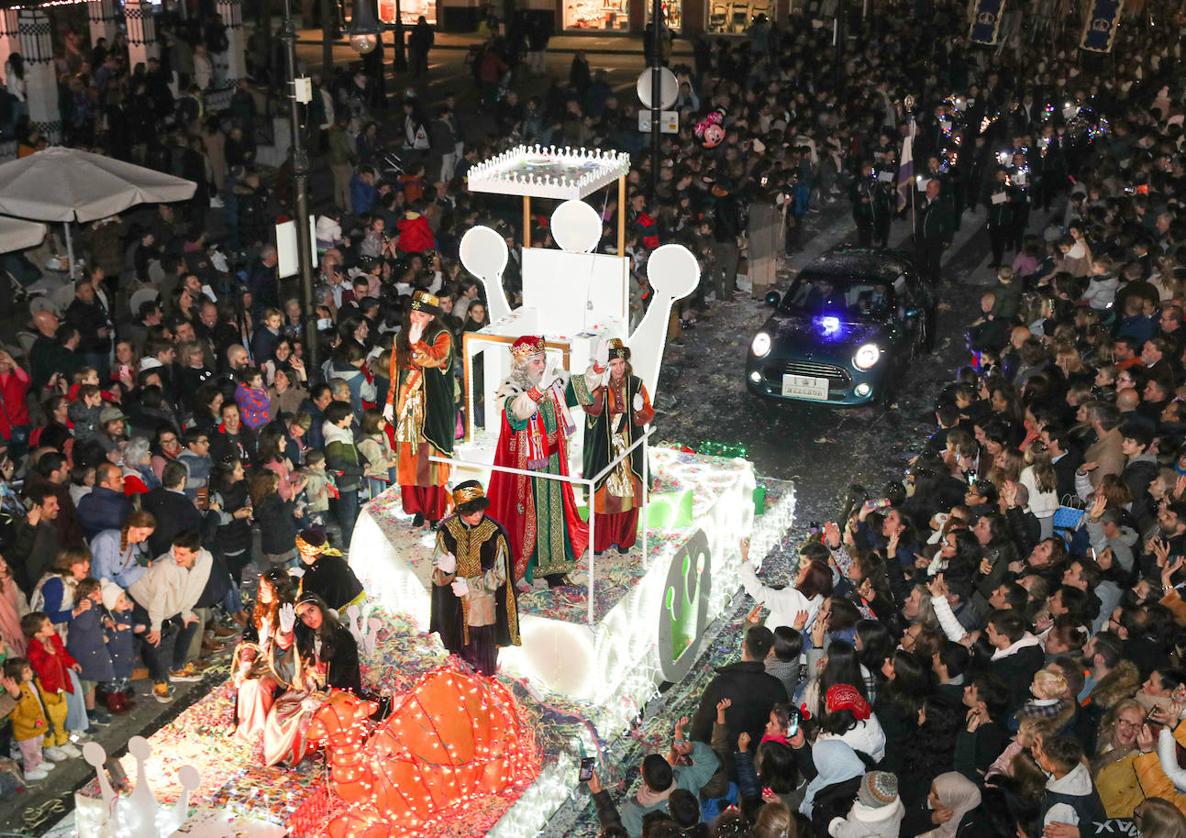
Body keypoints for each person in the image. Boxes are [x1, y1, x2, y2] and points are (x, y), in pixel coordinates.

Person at [487, 335, 608, 588]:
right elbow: (518, 411)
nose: (541, 365)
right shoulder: (511, 387)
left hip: (553, 462)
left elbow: (580, 387)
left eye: (542, 360)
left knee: (556, 514)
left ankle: (555, 570)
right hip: (525, 470)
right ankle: (525, 568)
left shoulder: (553, 381)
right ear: (521, 364)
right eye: (535, 361)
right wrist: (539, 388)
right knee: (528, 519)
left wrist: (597, 366)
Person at [429, 481, 519, 676]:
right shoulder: (447, 531)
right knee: (457, 665)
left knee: (483, 668)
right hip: (454, 612)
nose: (477, 515)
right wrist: (446, 571)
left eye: (480, 510)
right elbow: (437, 576)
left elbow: (500, 575)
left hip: (483, 612)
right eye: (471, 512)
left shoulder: (494, 533)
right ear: (460, 510)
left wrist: (470, 586)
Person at [384, 291, 456, 528]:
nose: (416, 318)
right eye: (414, 313)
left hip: (431, 408)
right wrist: (388, 402)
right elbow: (396, 373)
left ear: (432, 318)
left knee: (431, 461)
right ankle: (417, 508)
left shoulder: (442, 336)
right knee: (410, 460)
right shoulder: (400, 338)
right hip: (407, 405)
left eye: (422, 315)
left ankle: (434, 511)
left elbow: (435, 359)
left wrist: (417, 343)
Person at [580, 339, 654, 554]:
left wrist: (641, 410)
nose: (618, 368)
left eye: (621, 363)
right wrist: (600, 393)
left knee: (628, 497)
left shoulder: (637, 384)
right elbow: (590, 410)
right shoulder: (599, 387)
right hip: (605, 449)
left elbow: (646, 416)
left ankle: (624, 539)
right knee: (604, 495)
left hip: (629, 450)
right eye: (613, 364)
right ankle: (600, 541)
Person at [127, 530, 212, 702]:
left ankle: (177, 668)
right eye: (175, 552)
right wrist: (157, 627)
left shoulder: (206, 560)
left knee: (191, 623)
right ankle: (159, 679)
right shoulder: (167, 566)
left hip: (169, 603)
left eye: (182, 554)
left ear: (195, 554)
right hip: (143, 598)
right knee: (152, 638)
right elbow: (157, 599)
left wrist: (187, 612)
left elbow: (196, 587)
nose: (177, 557)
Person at [295, 527, 364, 612]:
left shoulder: (311, 576)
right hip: (361, 606)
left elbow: (309, 605)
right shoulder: (336, 559)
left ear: (307, 554)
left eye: (301, 553)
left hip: (341, 616)